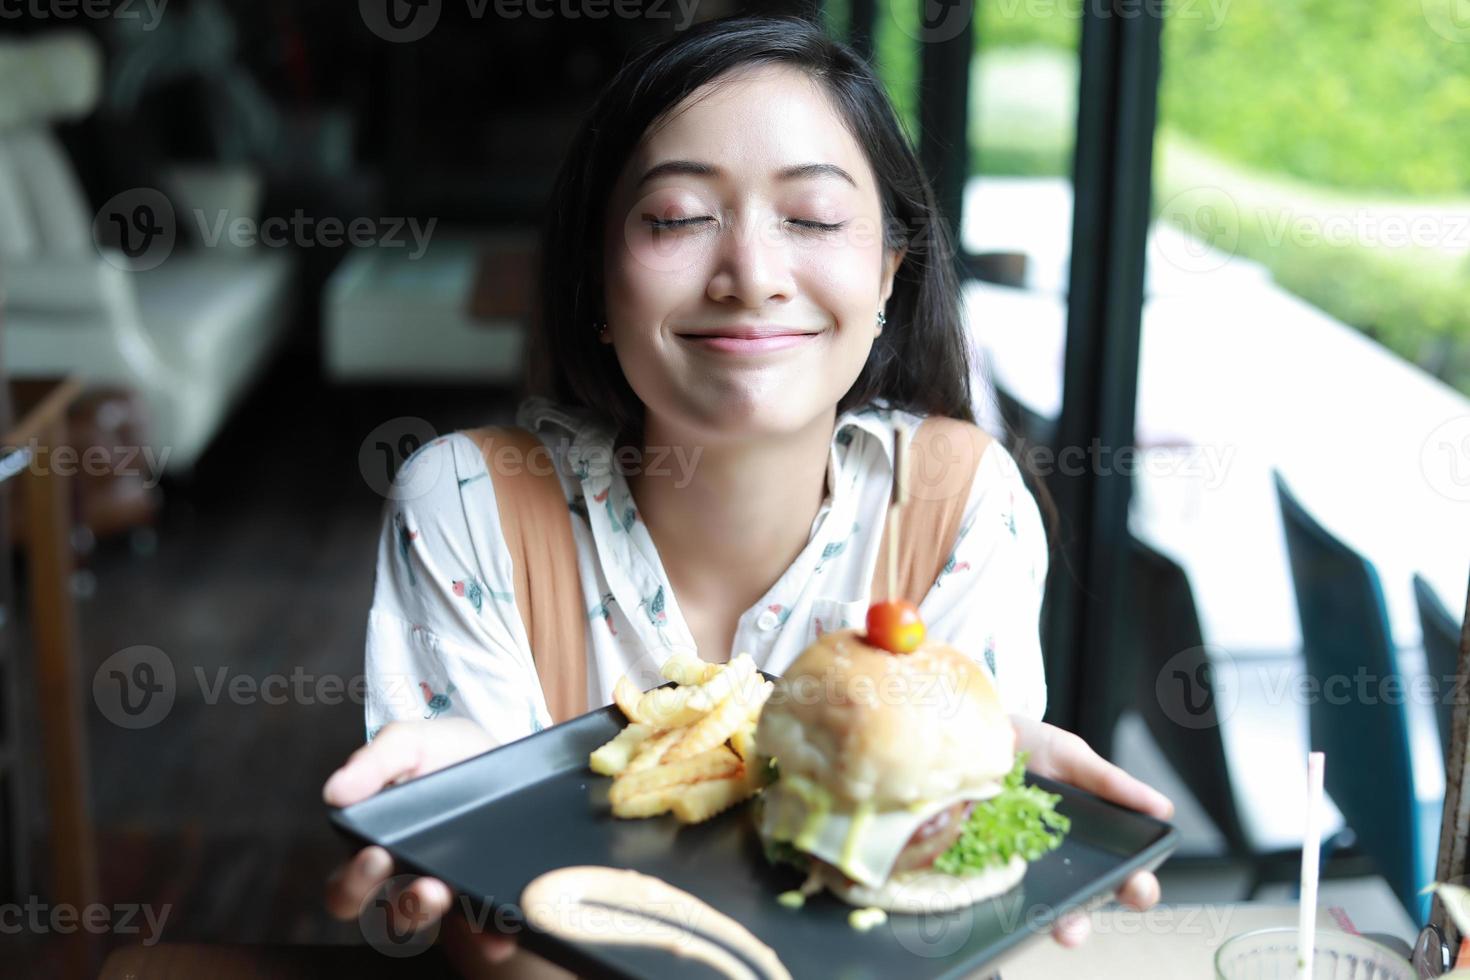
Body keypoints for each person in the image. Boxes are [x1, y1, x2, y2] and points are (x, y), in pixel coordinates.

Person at [323, 13, 1174, 976]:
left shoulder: (961, 500)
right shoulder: (469, 503)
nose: (752, 278)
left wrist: (949, 802)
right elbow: (504, 957)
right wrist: (467, 845)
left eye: (811, 219)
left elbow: (924, 945)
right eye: (680, 218)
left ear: (890, 270)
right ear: (598, 283)